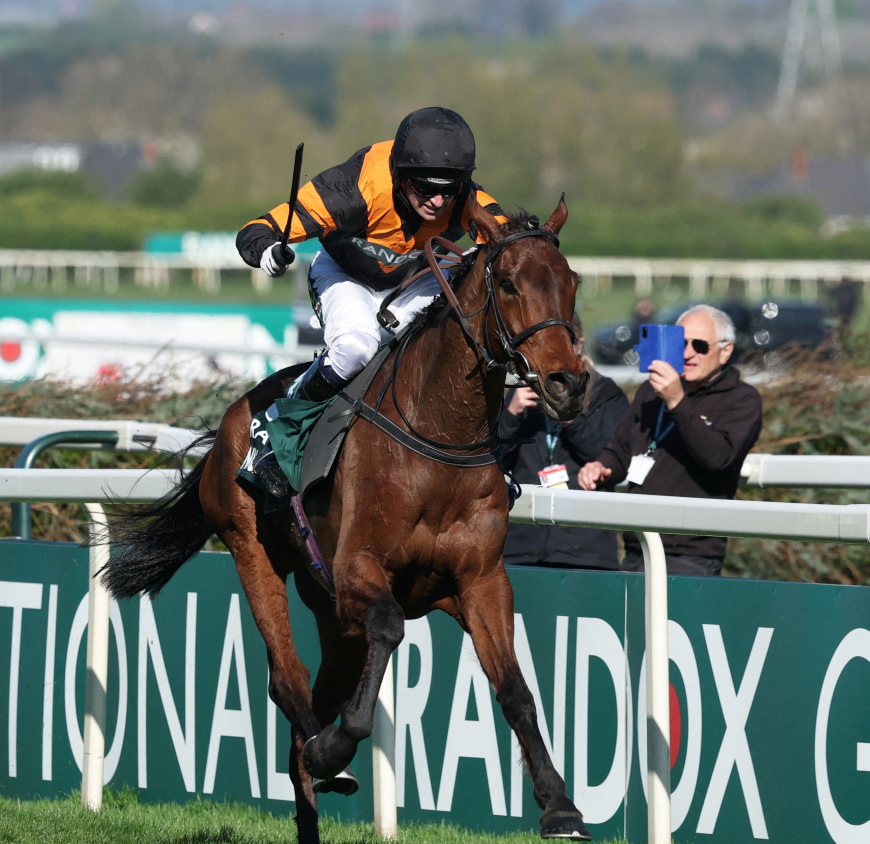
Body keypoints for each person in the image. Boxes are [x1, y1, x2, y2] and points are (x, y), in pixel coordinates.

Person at [235, 106, 508, 498]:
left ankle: (482, 452)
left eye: (448, 190)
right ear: (399, 174)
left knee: (470, 293)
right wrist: (267, 251)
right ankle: (276, 425)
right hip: (344, 274)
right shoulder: (351, 189)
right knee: (355, 348)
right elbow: (258, 229)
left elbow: (507, 240)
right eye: (424, 188)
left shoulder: (463, 195)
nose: (437, 201)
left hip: (413, 277)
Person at [577, 304, 763, 576]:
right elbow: (620, 450)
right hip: (638, 546)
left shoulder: (742, 399)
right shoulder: (651, 391)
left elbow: (718, 458)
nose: (687, 353)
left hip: (691, 554)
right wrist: (602, 468)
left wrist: (677, 401)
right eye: (681, 343)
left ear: (725, 351)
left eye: (700, 346)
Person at [498, 315, 629, 570]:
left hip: (584, 549)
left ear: (579, 346)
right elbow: (493, 460)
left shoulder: (606, 395)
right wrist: (511, 414)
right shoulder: (520, 394)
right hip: (522, 546)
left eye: (563, 344)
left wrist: (568, 414)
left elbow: (610, 457)